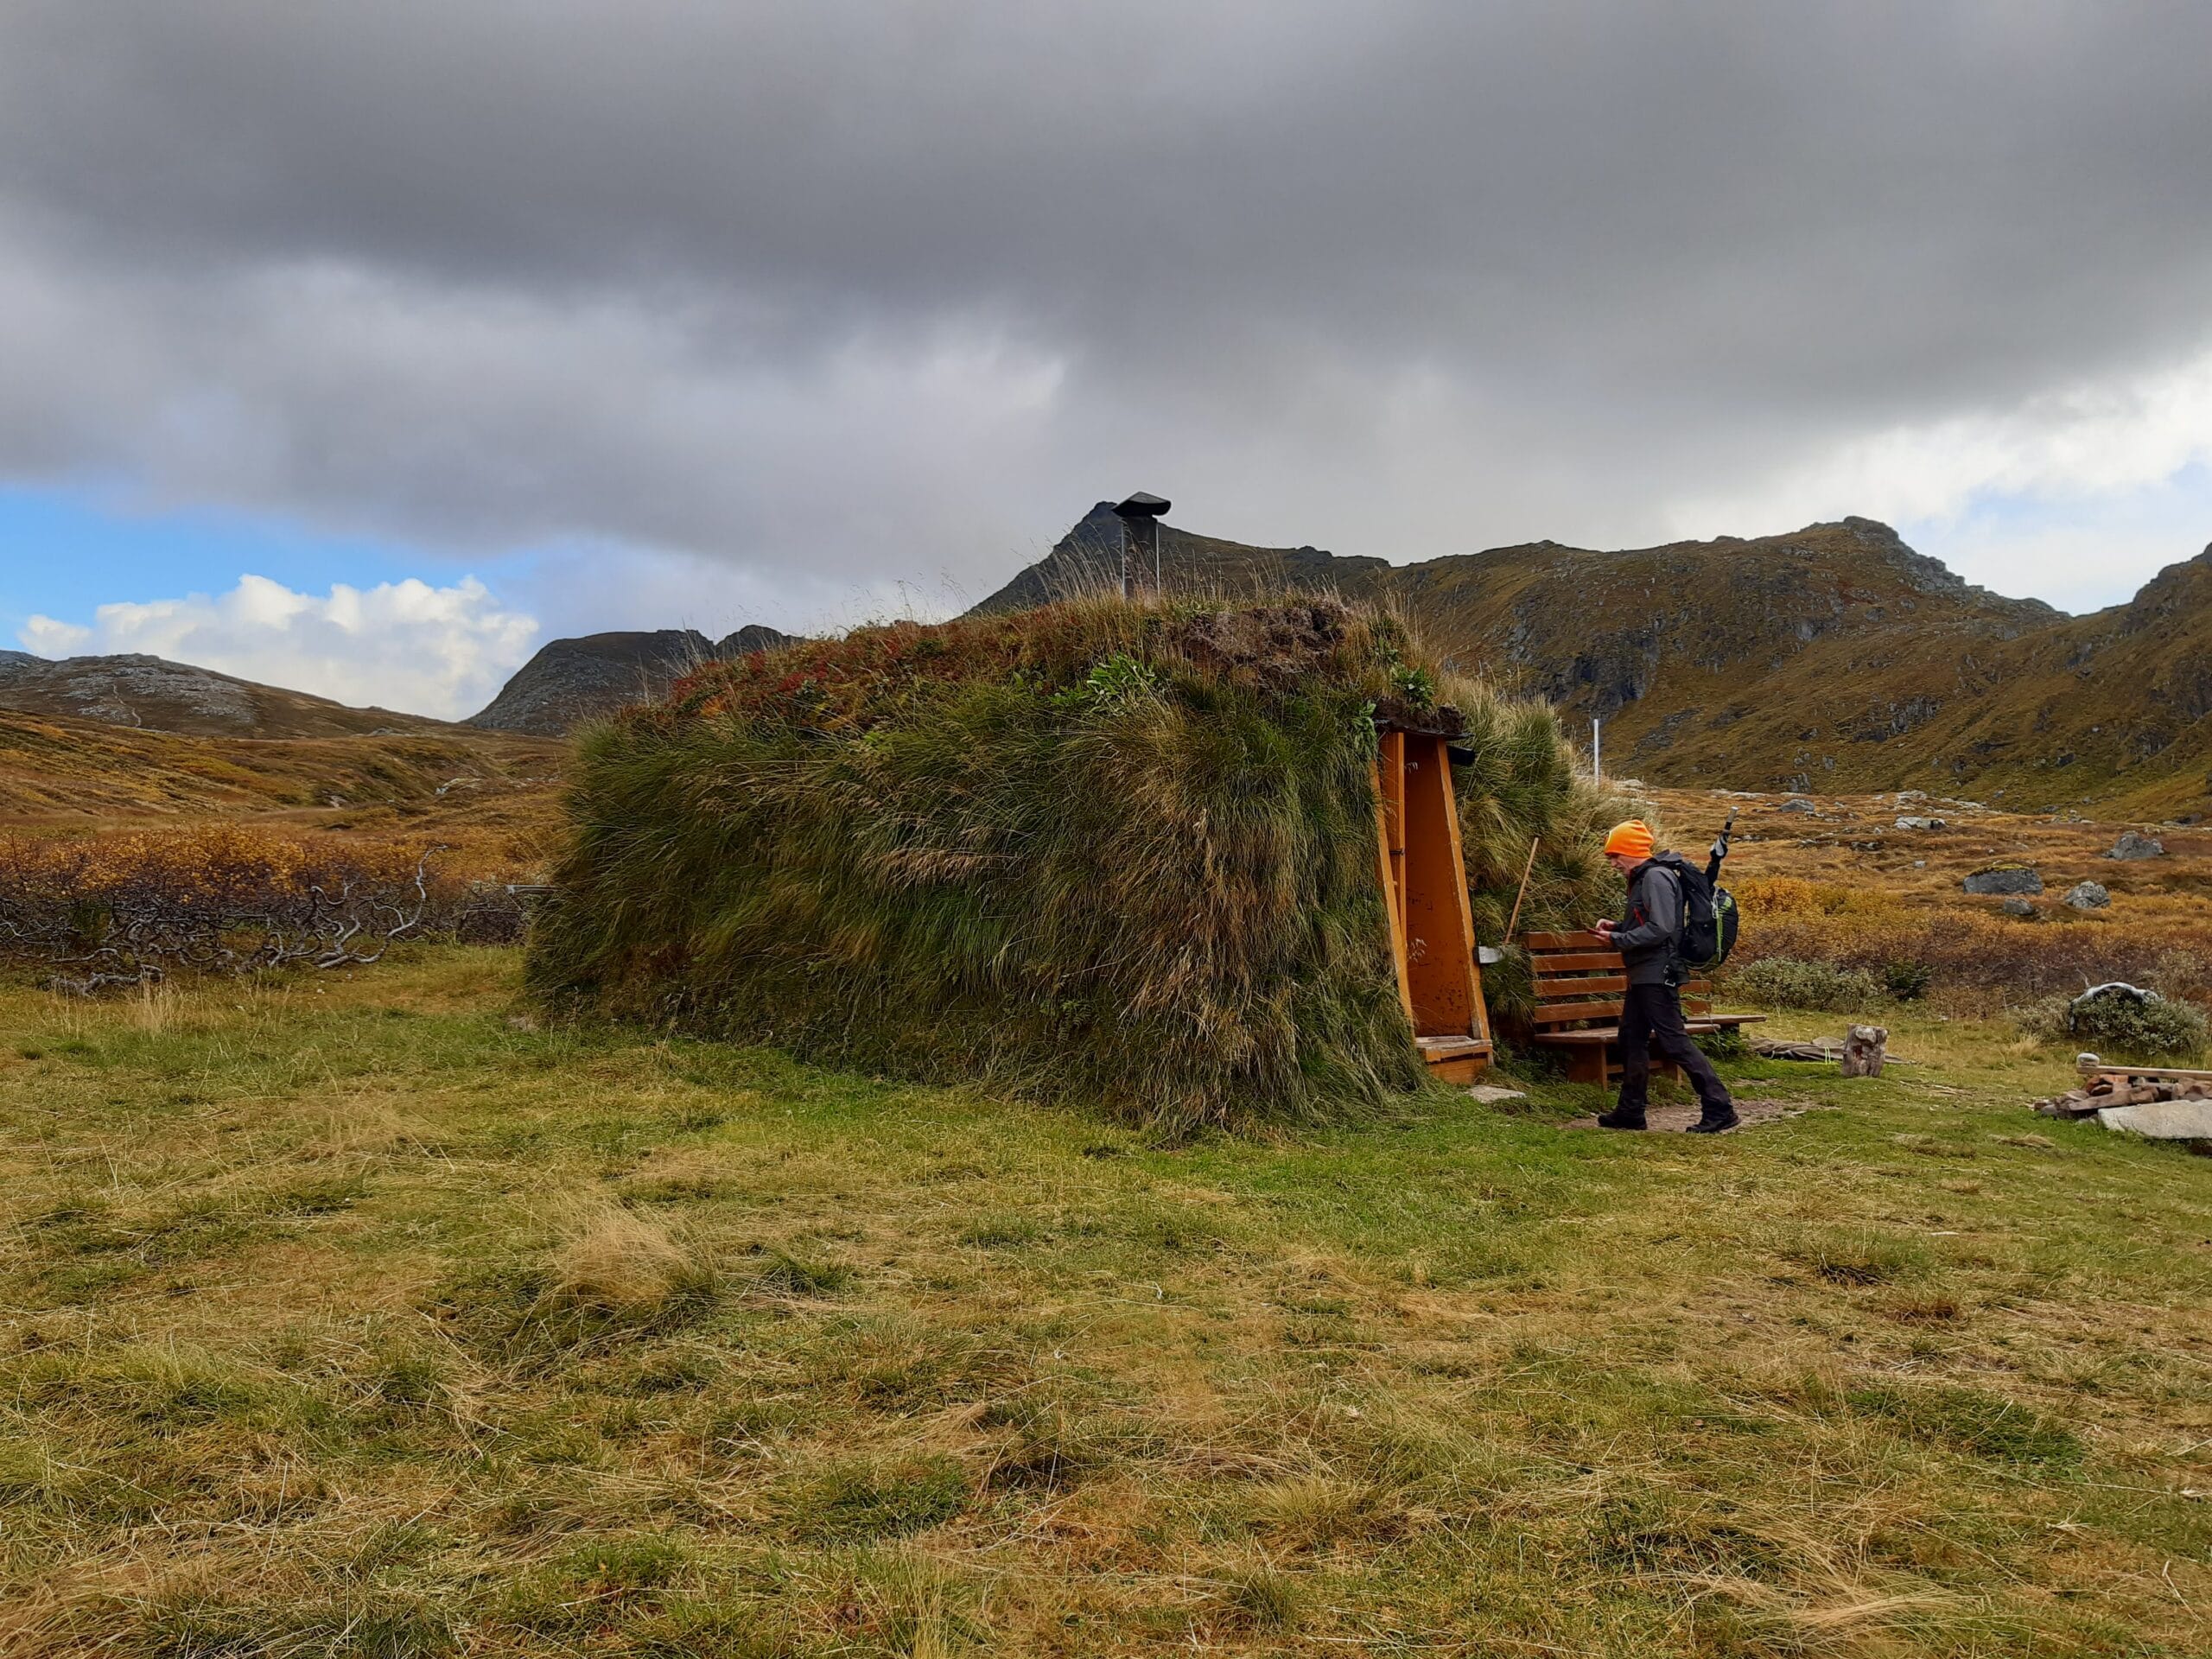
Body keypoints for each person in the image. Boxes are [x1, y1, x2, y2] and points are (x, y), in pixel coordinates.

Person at [1592, 819, 1738, 1134]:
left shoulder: (1655, 878)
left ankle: (1720, 1107)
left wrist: (1618, 940)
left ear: (1631, 851)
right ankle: (1630, 1113)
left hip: (1657, 974)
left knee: (1674, 1042)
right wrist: (1618, 926)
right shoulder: (1647, 877)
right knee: (1631, 1037)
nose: (1613, 863)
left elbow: (1660, 930)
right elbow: (1653, 924)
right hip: (1645, 973)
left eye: (1615, 855)